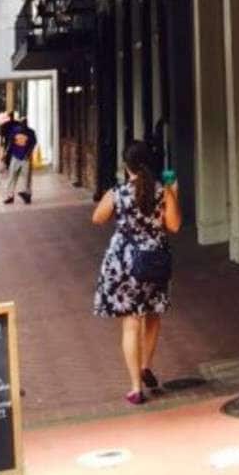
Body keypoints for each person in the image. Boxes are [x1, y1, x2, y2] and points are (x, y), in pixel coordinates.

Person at [92, 141, 181, 405]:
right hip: (155, 260)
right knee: (152, 315)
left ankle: (135, 388)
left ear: (125, 165)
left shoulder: (118, 192)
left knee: (131, 322)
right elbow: (174, 226)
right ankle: (145, 366)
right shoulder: (161, 191)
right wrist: (173, 193)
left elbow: (97, 218)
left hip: (124, 262)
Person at [0, 114, 37, 204]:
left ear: (27, 123)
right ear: (20, 124)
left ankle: (27, 194)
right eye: (22, 123)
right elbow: (10, 143)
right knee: (12, 176)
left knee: (27, 178)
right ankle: (10, 196)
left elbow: (33, 143)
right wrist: (5, 154)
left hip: (25, 158)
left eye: (25, 123)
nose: (24, 125)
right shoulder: (15, 131)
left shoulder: (31, 132)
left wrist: (28, 153)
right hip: (15, 156)